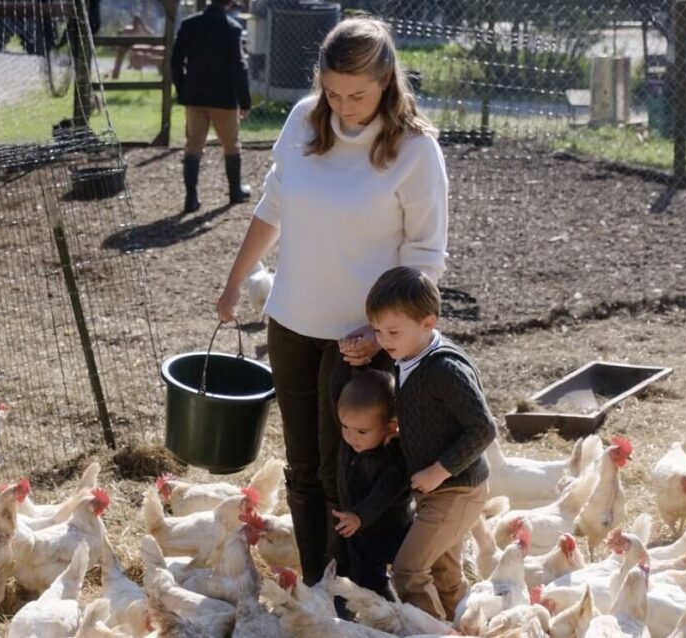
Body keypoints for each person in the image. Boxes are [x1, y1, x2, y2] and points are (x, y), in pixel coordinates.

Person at [216, 17, 449, 587]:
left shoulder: (417, 151)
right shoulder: (302, 120)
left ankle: (356, 588)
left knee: (350, 469)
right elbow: (272, 208)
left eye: (359, 95)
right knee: (301, 467)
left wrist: (385, 333)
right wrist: (234, 280)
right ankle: (318, 586)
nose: (344, 106)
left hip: (363, 338)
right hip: (293, 320)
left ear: (388, 79)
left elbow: (425, 254)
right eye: (333, 92)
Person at [365, 266, 497, 620]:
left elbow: (483, 428)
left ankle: (430, 631)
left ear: (428, 322)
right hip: (439, 489)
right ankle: (467, 626)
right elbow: (430, 412)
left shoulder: (445, 369)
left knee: (408, 570)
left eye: (393, 331)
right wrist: (404, 429)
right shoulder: (408, 355)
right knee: (445, 572)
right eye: (377, 330)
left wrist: (439, 471)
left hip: (456, 490)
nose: (383, 340)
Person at [332, 369, 412, 600]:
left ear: (390, 427)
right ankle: (380, 617)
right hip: (360, 529)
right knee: (368, 580)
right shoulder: (353, 443)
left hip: (392, 529)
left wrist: (359, 516)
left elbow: (383, 495)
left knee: (406, 574)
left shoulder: (392, 460)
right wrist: (354, 365)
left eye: (361, 431)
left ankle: (404, 614)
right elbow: (334, 392)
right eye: (345, 427)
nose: (351, 437)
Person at [171, 0, 252, 213]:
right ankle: (235, 191)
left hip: (195, 96)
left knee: (193, 146)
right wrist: (245, 101)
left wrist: (183, 89)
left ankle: (191, 197)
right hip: (224, 99)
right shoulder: (232, 28)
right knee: (231, 145)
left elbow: (176, 61)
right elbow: (239, 67)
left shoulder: (189, 25)